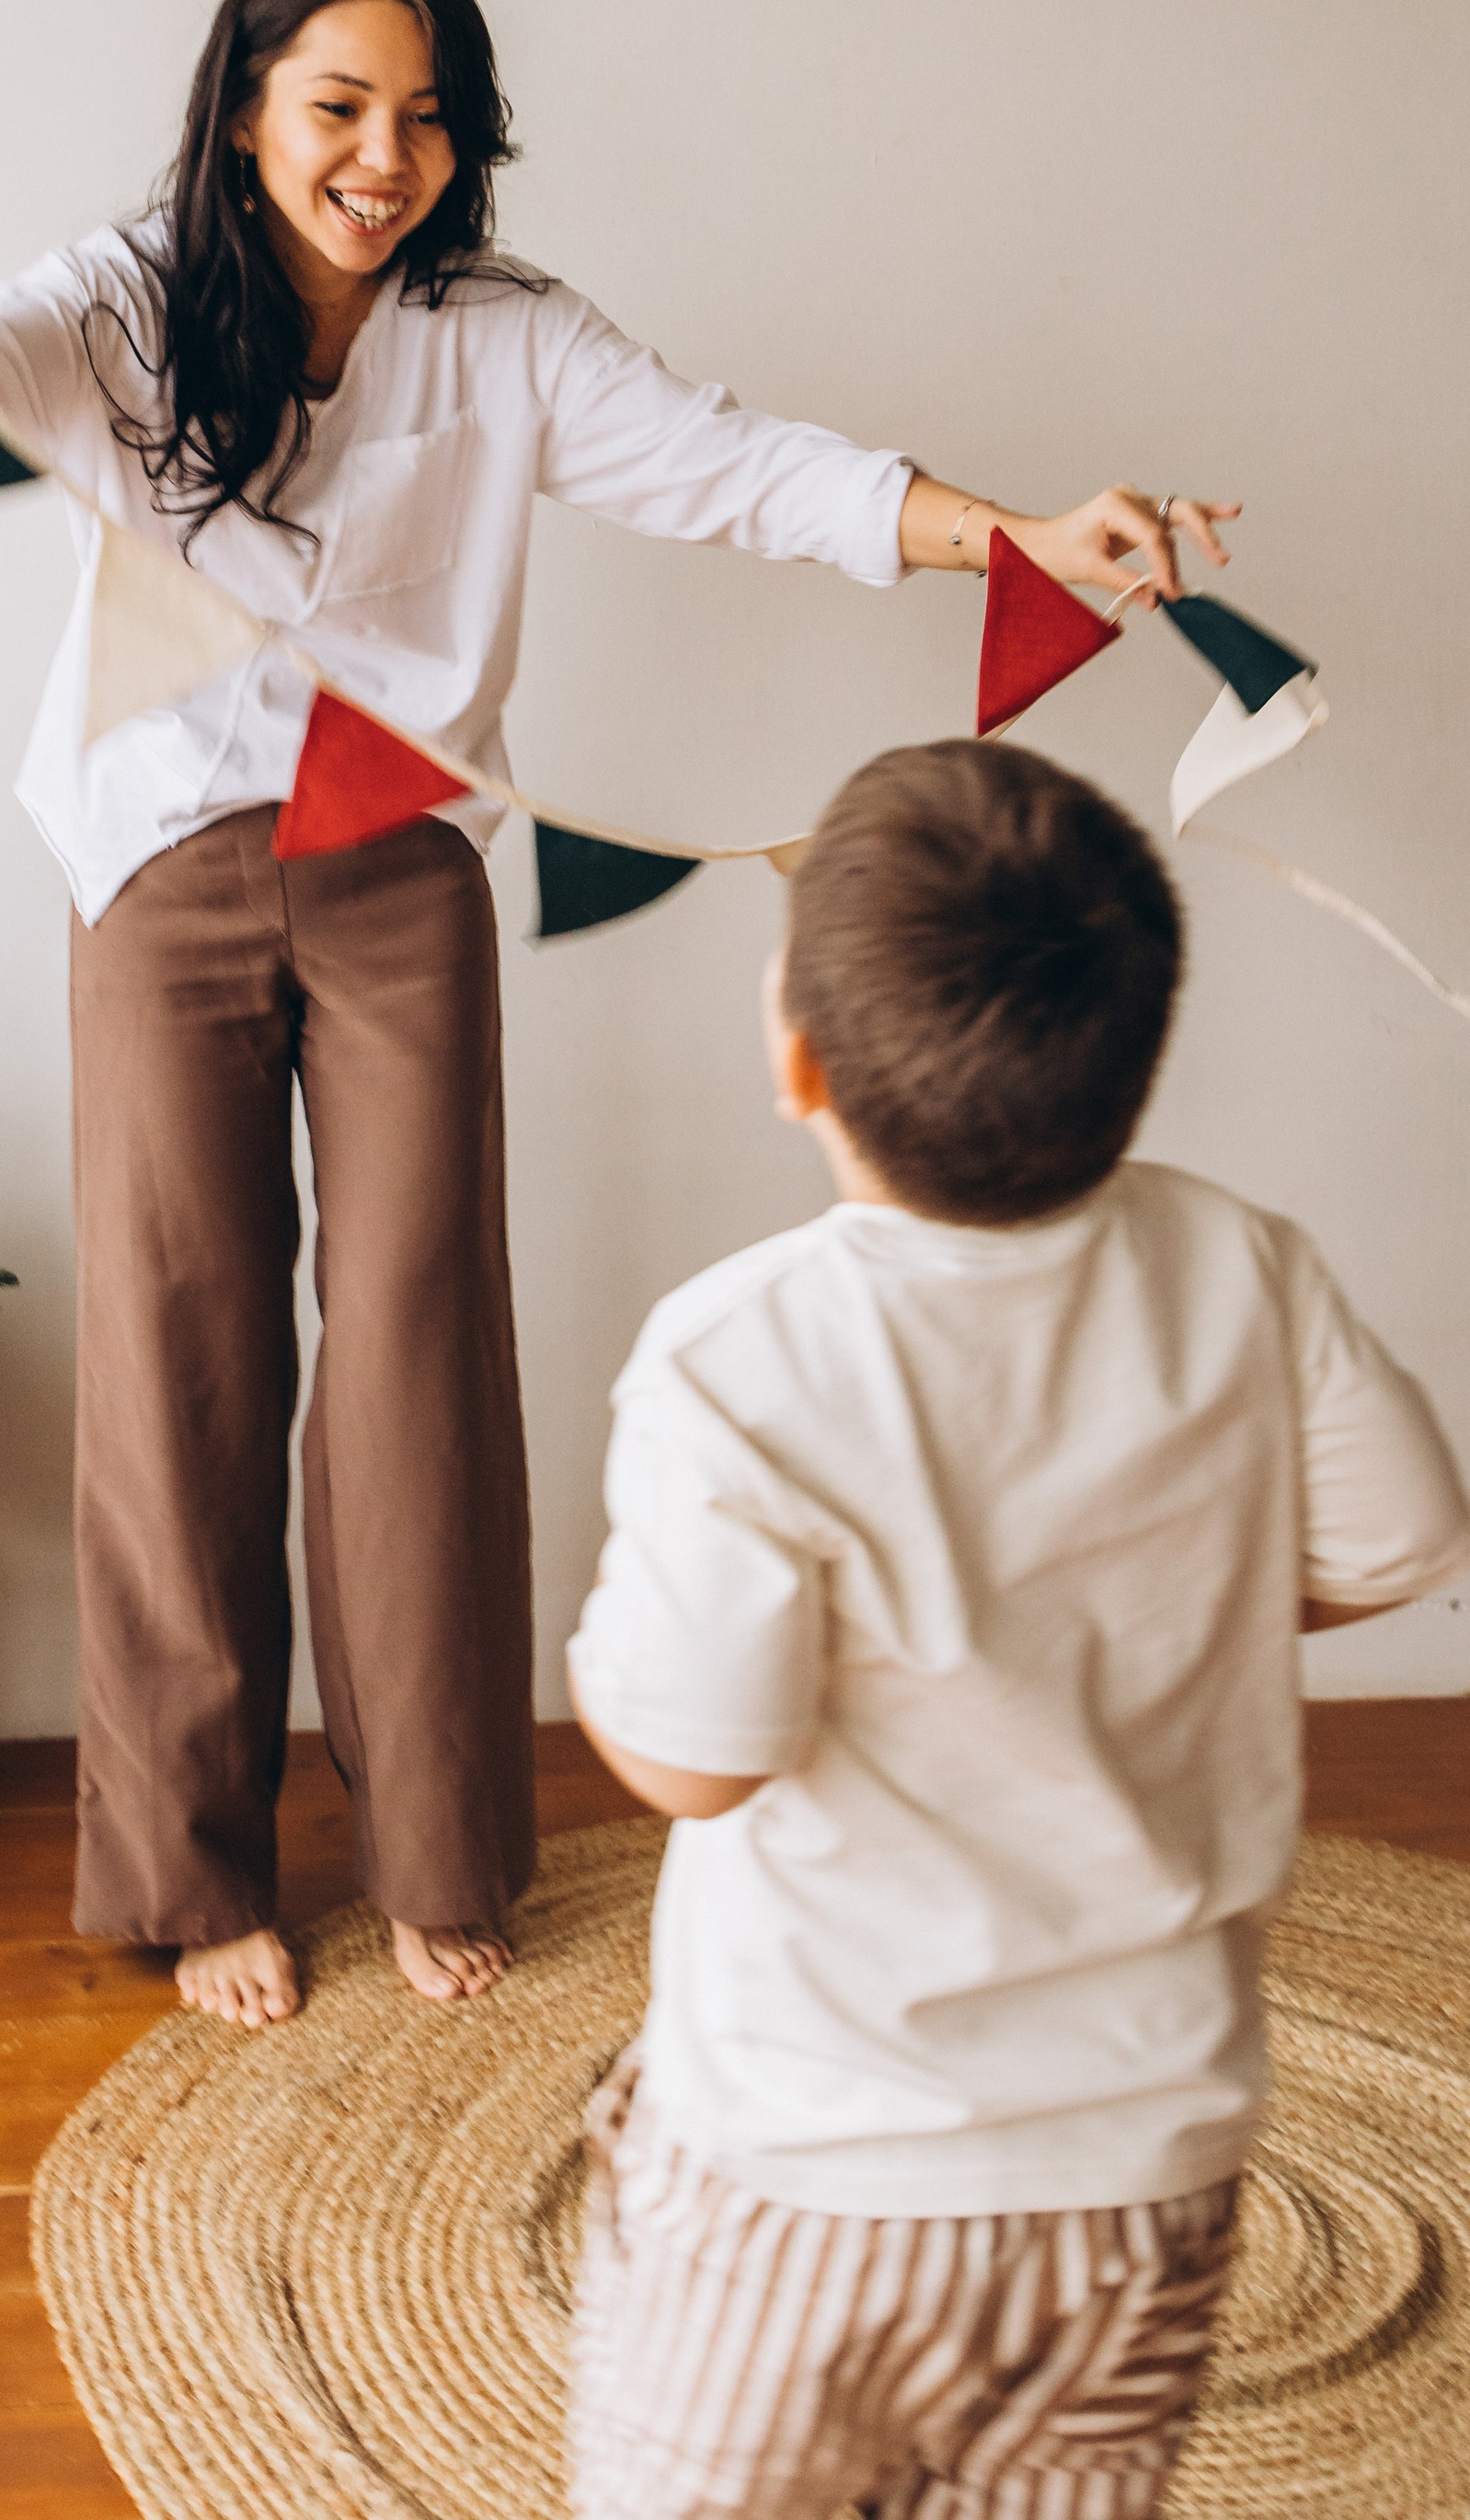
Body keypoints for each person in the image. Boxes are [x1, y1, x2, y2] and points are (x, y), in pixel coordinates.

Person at [0, 0, 1240, 2031]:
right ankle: (193, 1865)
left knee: (415, 1345)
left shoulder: (500, 332)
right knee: (181, 1348)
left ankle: (433, 1842)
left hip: (402, 865)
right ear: (244, 115)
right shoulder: (122, 303)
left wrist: (1022, 535)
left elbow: (740, 465)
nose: (379, 153)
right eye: (337, 106)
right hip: (152, 867)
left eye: (422, 117)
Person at [565, 737, 1470, 2520]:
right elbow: (1402, 1537)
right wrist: (1160, 1599)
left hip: (811, 2159)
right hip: (1143, 2162)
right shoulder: (1241, 1265)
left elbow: (693, 1760)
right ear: (1134, 1064)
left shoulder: (735, 1353)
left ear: (794, 1057)